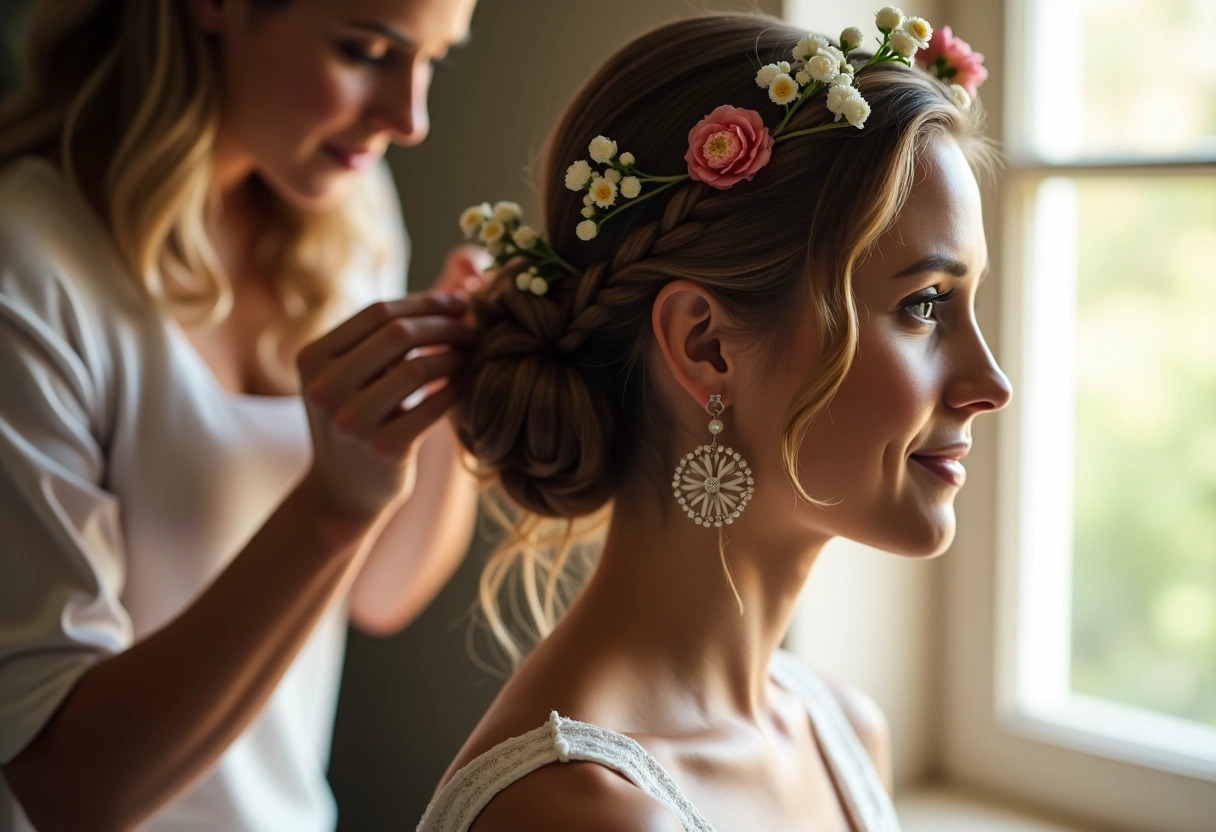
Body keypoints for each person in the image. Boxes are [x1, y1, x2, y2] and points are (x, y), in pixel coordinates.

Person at [419, 10, 1012, 831]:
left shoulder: (841, 734)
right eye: (922, 305)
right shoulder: (581, 813)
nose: (991, 383)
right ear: (706, 345)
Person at [0, 0, 481, 829]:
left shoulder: (351, 206)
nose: (409, 120)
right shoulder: (29, 274)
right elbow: (67, 791)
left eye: (433, 60)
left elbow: (383, 590)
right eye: (367, 50)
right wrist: (331, 510)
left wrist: (450, 404)